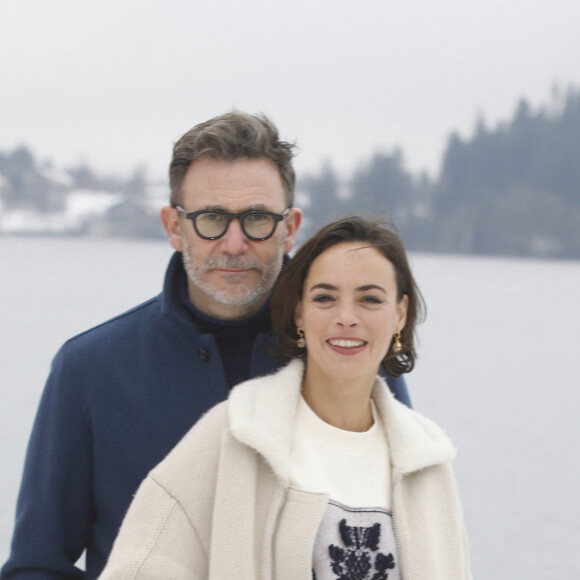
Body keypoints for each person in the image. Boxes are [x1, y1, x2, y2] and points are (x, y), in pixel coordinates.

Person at [1, 113, 411, 580]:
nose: (234, 244)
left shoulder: (353, 358)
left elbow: (408, 541)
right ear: (174, 226)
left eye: (257, 219)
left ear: (290, 226)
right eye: (211, 219)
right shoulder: (89, 370)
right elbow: (36, 565)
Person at [98, 216, 471, 580]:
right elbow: (136, 569)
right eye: (325, 297)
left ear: (400, 315)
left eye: (370, 299)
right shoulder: (235, 434)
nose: (346, 317)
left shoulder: (427, 462)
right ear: (299, 313)